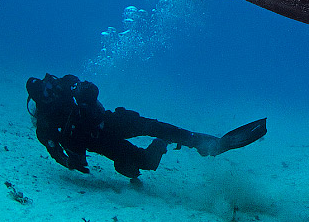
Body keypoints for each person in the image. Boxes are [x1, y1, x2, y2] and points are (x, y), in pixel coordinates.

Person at [26, 73, 266, 180]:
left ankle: (209, 143)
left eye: (49, 87)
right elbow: (54, 150)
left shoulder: (63, 84)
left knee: (155, 126)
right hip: (101, 143)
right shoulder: (45, 124)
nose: (50, 92)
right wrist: (70, 161)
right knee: (145, 163)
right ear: (38, 101)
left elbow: (86, 87)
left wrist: (80, 90)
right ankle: (155, 148)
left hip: (110, 121)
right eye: (44, 94)